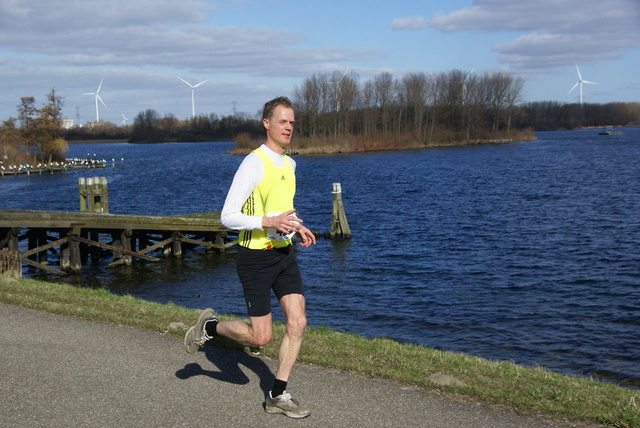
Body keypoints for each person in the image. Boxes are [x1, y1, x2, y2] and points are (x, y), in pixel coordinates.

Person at [183, 96, 316, 419]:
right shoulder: (254, 162)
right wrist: (269, 222)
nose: (288, 128)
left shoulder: (291, 164)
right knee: (261, 337)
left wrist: (296, 227)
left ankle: (277, 393)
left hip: (283, 254)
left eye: (292, 123)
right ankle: (210, 327)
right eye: (283, 122)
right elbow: (228, 216)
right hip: (254, 258)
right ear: (267, 124)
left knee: (298, 322)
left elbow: (280, 210)